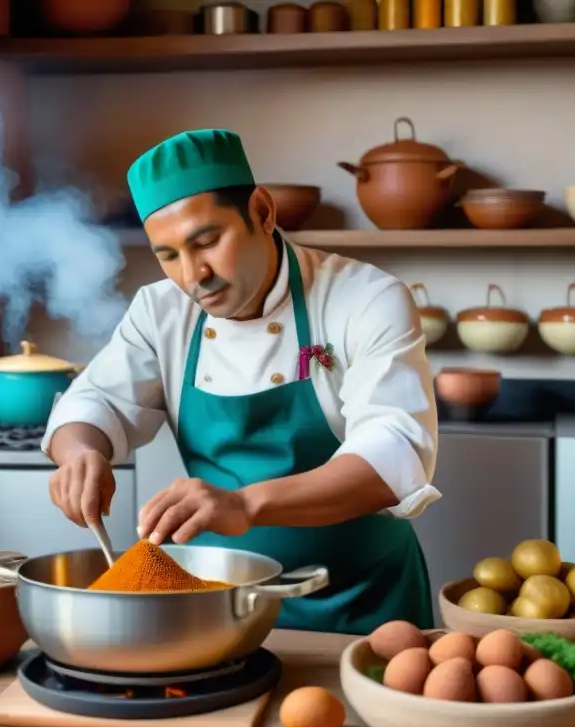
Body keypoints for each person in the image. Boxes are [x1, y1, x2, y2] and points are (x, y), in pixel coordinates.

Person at [42, 128, 441, 634]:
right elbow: (95, 403)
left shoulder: (366, 298)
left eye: (207, 241)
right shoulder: (159, 311)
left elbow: (395, 454)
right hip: (215, 605)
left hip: (362, 601)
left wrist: (245, 504)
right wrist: (81, 454)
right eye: (168, 255)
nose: (193, 275)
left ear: (262, 211)